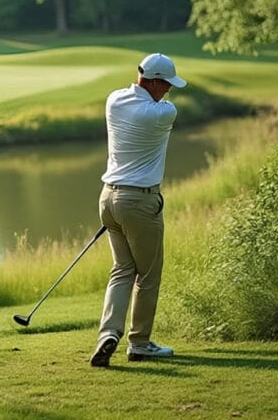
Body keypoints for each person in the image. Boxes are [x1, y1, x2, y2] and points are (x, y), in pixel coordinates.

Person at [89, 53, 186, 367]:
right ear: (155, 81)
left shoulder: (113, 100)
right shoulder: (162, 113)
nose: (169, 91)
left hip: (108, 200)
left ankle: (108, 334)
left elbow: (129, 92)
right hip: (139, 202)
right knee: (147, 275)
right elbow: (161, 106)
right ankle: (140, 343)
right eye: (167, 84)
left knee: (121, 270)